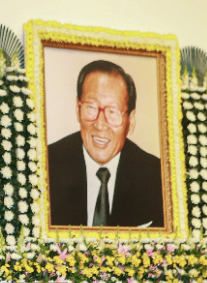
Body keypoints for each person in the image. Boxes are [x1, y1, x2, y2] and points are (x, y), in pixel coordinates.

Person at [47, 60, 164, 228]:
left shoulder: (155, 177)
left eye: (113, 112)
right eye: (91, 107)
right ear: (77, 109)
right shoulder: (48, 165)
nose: (100, 124)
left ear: (130, 121)